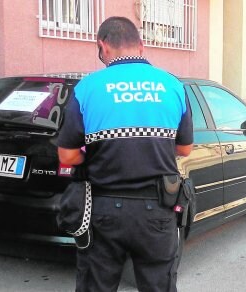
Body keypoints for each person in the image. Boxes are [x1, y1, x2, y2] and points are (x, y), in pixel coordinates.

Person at [57, 16, 193, 292]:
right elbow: (184, 149)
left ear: (103, 46)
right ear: (141, 46)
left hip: (104, 210)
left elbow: (67, 157)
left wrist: (94, 156)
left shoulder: (88, 88)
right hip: (158, 210)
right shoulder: (173, 86)